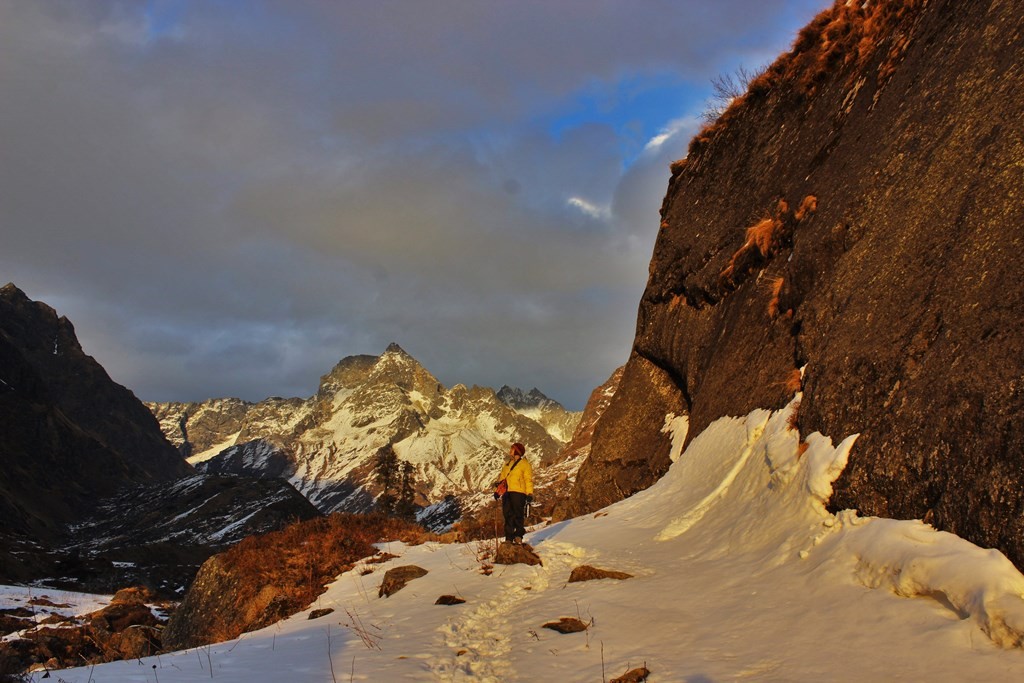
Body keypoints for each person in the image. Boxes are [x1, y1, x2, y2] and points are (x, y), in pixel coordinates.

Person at [493, 442, 533, 544]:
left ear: (517, 451)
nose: (510, 450)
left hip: (519, 492)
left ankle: (518, 536)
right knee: (508, 515)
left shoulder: (525, 464)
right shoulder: (507, 465)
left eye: (512, 449)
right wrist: (497, 492)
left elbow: (528, 480)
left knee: (518, 515)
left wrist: (529, 494)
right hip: (507, 493)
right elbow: (502, 480)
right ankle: (509, 538)